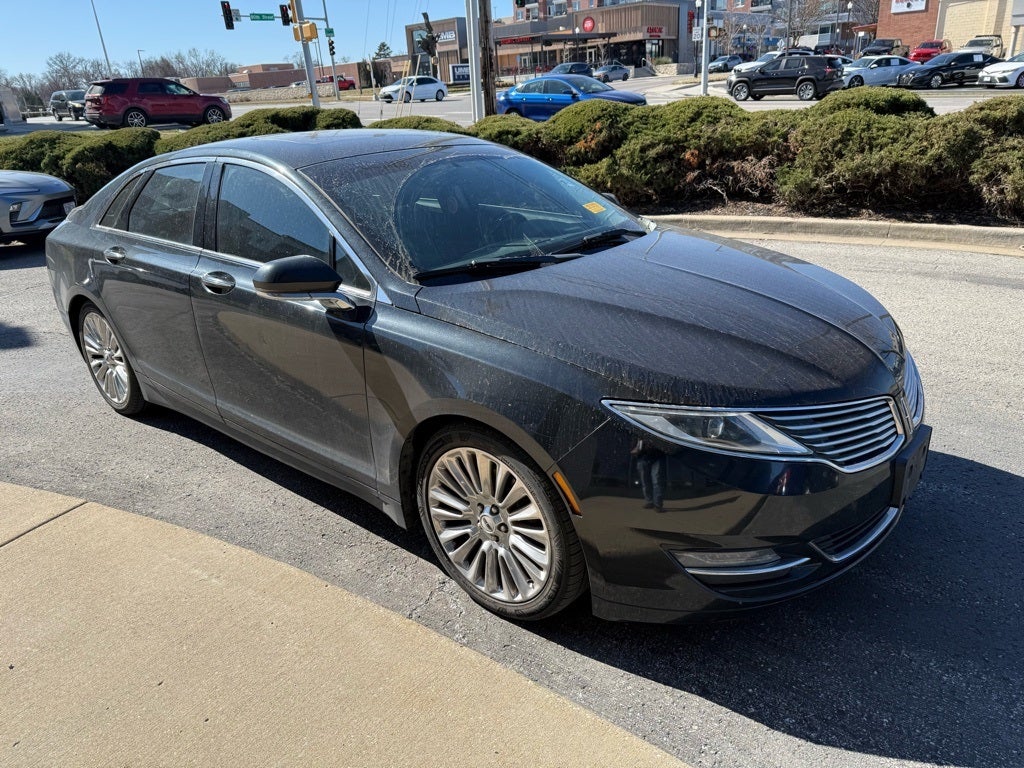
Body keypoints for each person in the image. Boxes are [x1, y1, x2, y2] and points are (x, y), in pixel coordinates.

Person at [631, 438, 667, 512]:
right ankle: (649, 501)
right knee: (645, 481)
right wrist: (634, 449)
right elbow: (635, 442)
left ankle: (658, 505)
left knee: (656, 481)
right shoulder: (639, 433)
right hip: (642, 457)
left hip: (657, 456)